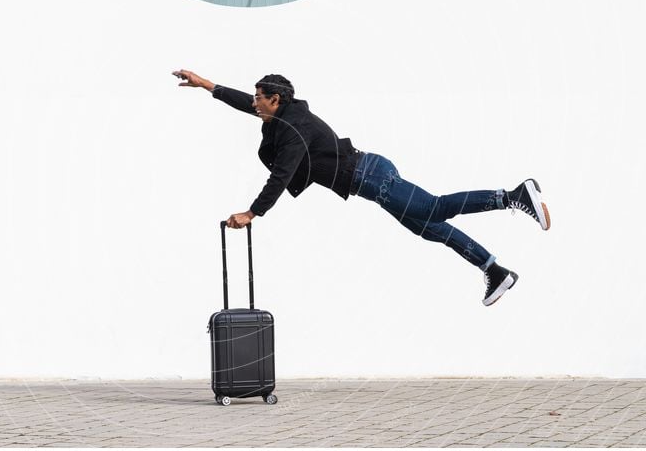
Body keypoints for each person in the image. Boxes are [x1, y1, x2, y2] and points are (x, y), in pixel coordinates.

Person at [172, 69, 550, 306]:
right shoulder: (283, 115)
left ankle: (512, 196)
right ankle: (494, 270)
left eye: (259, 98)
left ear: (276, 100)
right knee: (427, 227)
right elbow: (243, 103)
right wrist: (207, 85)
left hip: (372, 177)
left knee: (433, 210)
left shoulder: (293, 130)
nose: (254, 103)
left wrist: (253, 213)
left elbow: (281, 175)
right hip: (371, 176)